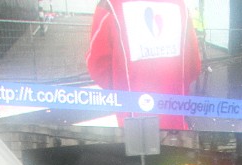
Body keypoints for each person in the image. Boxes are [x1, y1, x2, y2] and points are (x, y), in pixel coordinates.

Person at [86, 0, 201, 130]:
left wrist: (121, 89)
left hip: (133, 122)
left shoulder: (110, 5)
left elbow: (97, 67)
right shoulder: (180, 5)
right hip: (175, 119)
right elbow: (194, 66)